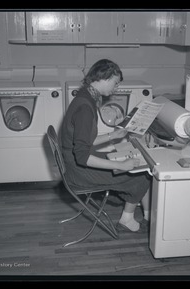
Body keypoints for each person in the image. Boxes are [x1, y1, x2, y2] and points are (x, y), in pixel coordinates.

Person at [60, 59, 151, 233]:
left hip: (72, 163)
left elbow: (84, 141)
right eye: (115, 83)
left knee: (130, 164)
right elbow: (82, 156)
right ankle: (127, 219)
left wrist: (112, 136)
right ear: (105, 77)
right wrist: (120, 165)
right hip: (78, 172)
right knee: (142, 175)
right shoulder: (86, 108)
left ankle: (144, 215)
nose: (116, 89)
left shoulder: (84, 97)